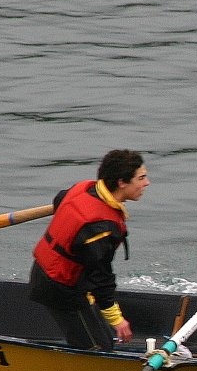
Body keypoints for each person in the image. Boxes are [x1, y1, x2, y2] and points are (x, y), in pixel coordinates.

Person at [28, 149, 150, 350]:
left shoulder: (83, 188)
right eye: (141, 178)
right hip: (60, 289)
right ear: (121, 183)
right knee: (98, 349)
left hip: (48, 274)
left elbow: (60, 199)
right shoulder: (100, 229)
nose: (147, 183)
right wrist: (117, 320)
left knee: (102, 338)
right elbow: (101, 278)